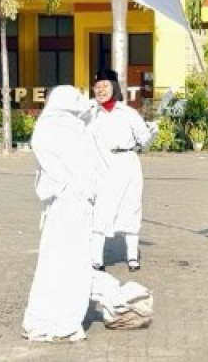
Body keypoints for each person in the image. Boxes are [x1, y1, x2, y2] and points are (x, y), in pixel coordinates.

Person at [22, 86, 152, 342]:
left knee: (60, 265)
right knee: (72, 263)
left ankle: (61, 319)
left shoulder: (46, 129)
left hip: (61, 207)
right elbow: (88, 174)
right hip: (77, 206)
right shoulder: (75, 132)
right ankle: (117, 301)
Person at [88, 69, 155, 272]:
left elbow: (144, 140)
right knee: (100, 210)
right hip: (102, 164)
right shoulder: (90, 114)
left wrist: (152, 132)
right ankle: (96, 259)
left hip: (127, 162)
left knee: (131, 207)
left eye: (105, 86)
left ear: (114, 88)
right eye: (97, 86)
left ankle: (132, 257)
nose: (100, 90)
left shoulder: (127, 113)